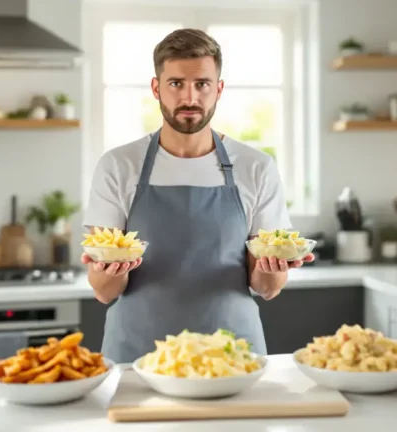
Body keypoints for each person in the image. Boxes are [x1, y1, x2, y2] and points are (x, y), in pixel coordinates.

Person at [81, 28, 314, 363]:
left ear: (218, 89)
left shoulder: (256, 167)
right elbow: (104, 292)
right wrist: (110, 271)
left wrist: (273, 266)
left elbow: (267, 287)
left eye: (202, 84)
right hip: (138, 357)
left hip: (233, 357)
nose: (189, 98)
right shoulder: (118, 165)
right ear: (156, 88)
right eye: (176, 83)